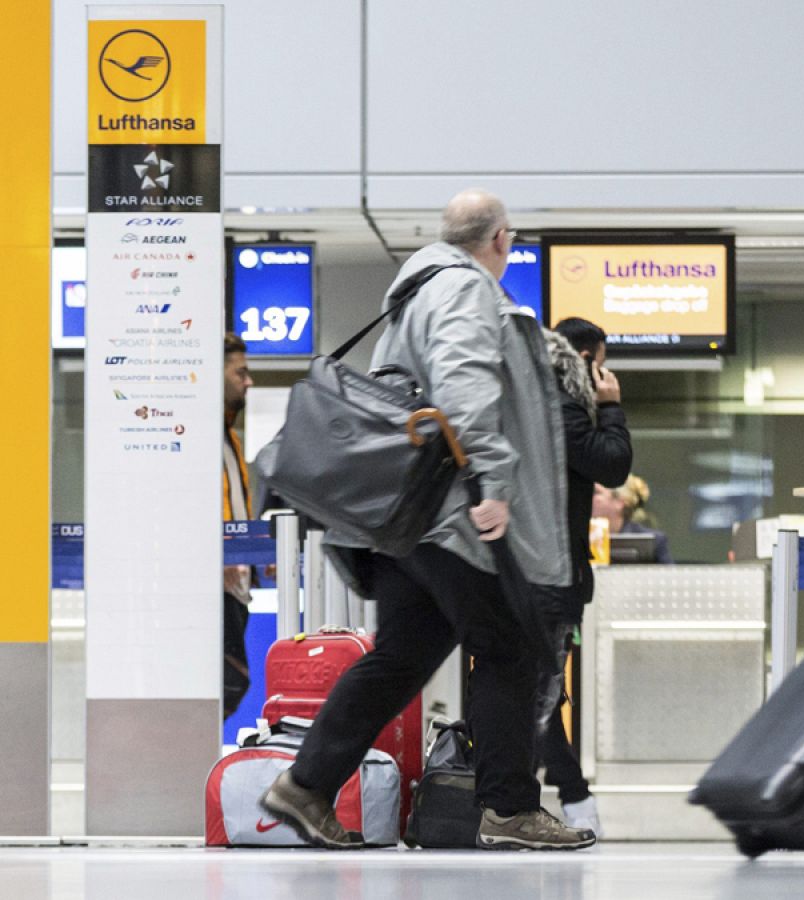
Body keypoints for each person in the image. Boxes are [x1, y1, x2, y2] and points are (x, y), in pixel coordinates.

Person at [260, 190, 595, 851]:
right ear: (501, 240)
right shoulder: (464, 291)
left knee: (402, 657)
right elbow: (465, 382)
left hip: (405, 516)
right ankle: (509, 809)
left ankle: (305, 785)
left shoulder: (415, 291)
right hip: (452, 513)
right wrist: (492, 485)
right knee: (511, 646)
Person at [537, 316, 634, 836]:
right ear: (586, 359)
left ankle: (518, 796)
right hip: (549, 572)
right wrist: (612, 407)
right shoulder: (562, 404)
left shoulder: (534, 398)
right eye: (601, 362)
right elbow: (612, 464)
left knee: (536, 689)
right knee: (541, 694)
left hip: (537, 568)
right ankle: (570, 797)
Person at [221, 334, 256, 721]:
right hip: (214, 588)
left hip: (235, 587)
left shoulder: (229, 439)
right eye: (240, 373)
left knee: (231, 682)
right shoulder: (197, 440)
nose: (248, 382)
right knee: (229, 681)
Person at [592, 476, 673, 564]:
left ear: (620, 502)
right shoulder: (579, 536)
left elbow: (670, 576)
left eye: (595, 493)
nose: (586, 497)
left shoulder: (654, 542)